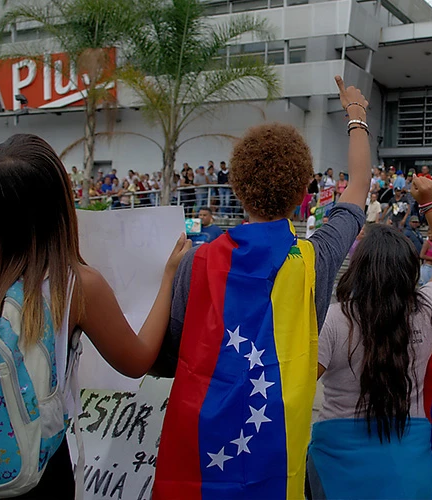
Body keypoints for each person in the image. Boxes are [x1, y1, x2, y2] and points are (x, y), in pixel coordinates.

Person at [0, 134, 191, 498]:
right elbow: (137, 360)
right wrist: (168, 276)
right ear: (58, 205)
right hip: (27, 472)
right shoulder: (75, 284)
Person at [151, 76, 371, 498]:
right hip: (276, 451)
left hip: (199, 451)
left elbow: (168, 354)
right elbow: (357, 189)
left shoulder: (194, 262)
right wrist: (356, 115)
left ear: (237, 187)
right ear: (303, 192)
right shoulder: (314, 260)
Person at [309, 175, 432, 499]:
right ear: (410, 272)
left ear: (358, 268)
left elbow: (296, 388)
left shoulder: (334, 319)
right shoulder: (427, 311)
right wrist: (429, 205)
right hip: (410, 463)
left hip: (335, 464)